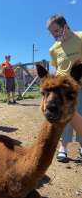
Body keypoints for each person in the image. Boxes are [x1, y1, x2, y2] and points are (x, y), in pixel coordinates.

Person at [47, 14, 82, 162]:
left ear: (65, 26)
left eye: (56, 30)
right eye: (51, 32)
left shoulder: (80, 37)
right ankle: (63, 147)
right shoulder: (53, 49)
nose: (54, 35)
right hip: (63, 89)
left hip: (80, 84)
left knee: (80, 113)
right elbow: (58, 68)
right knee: (64, 116)